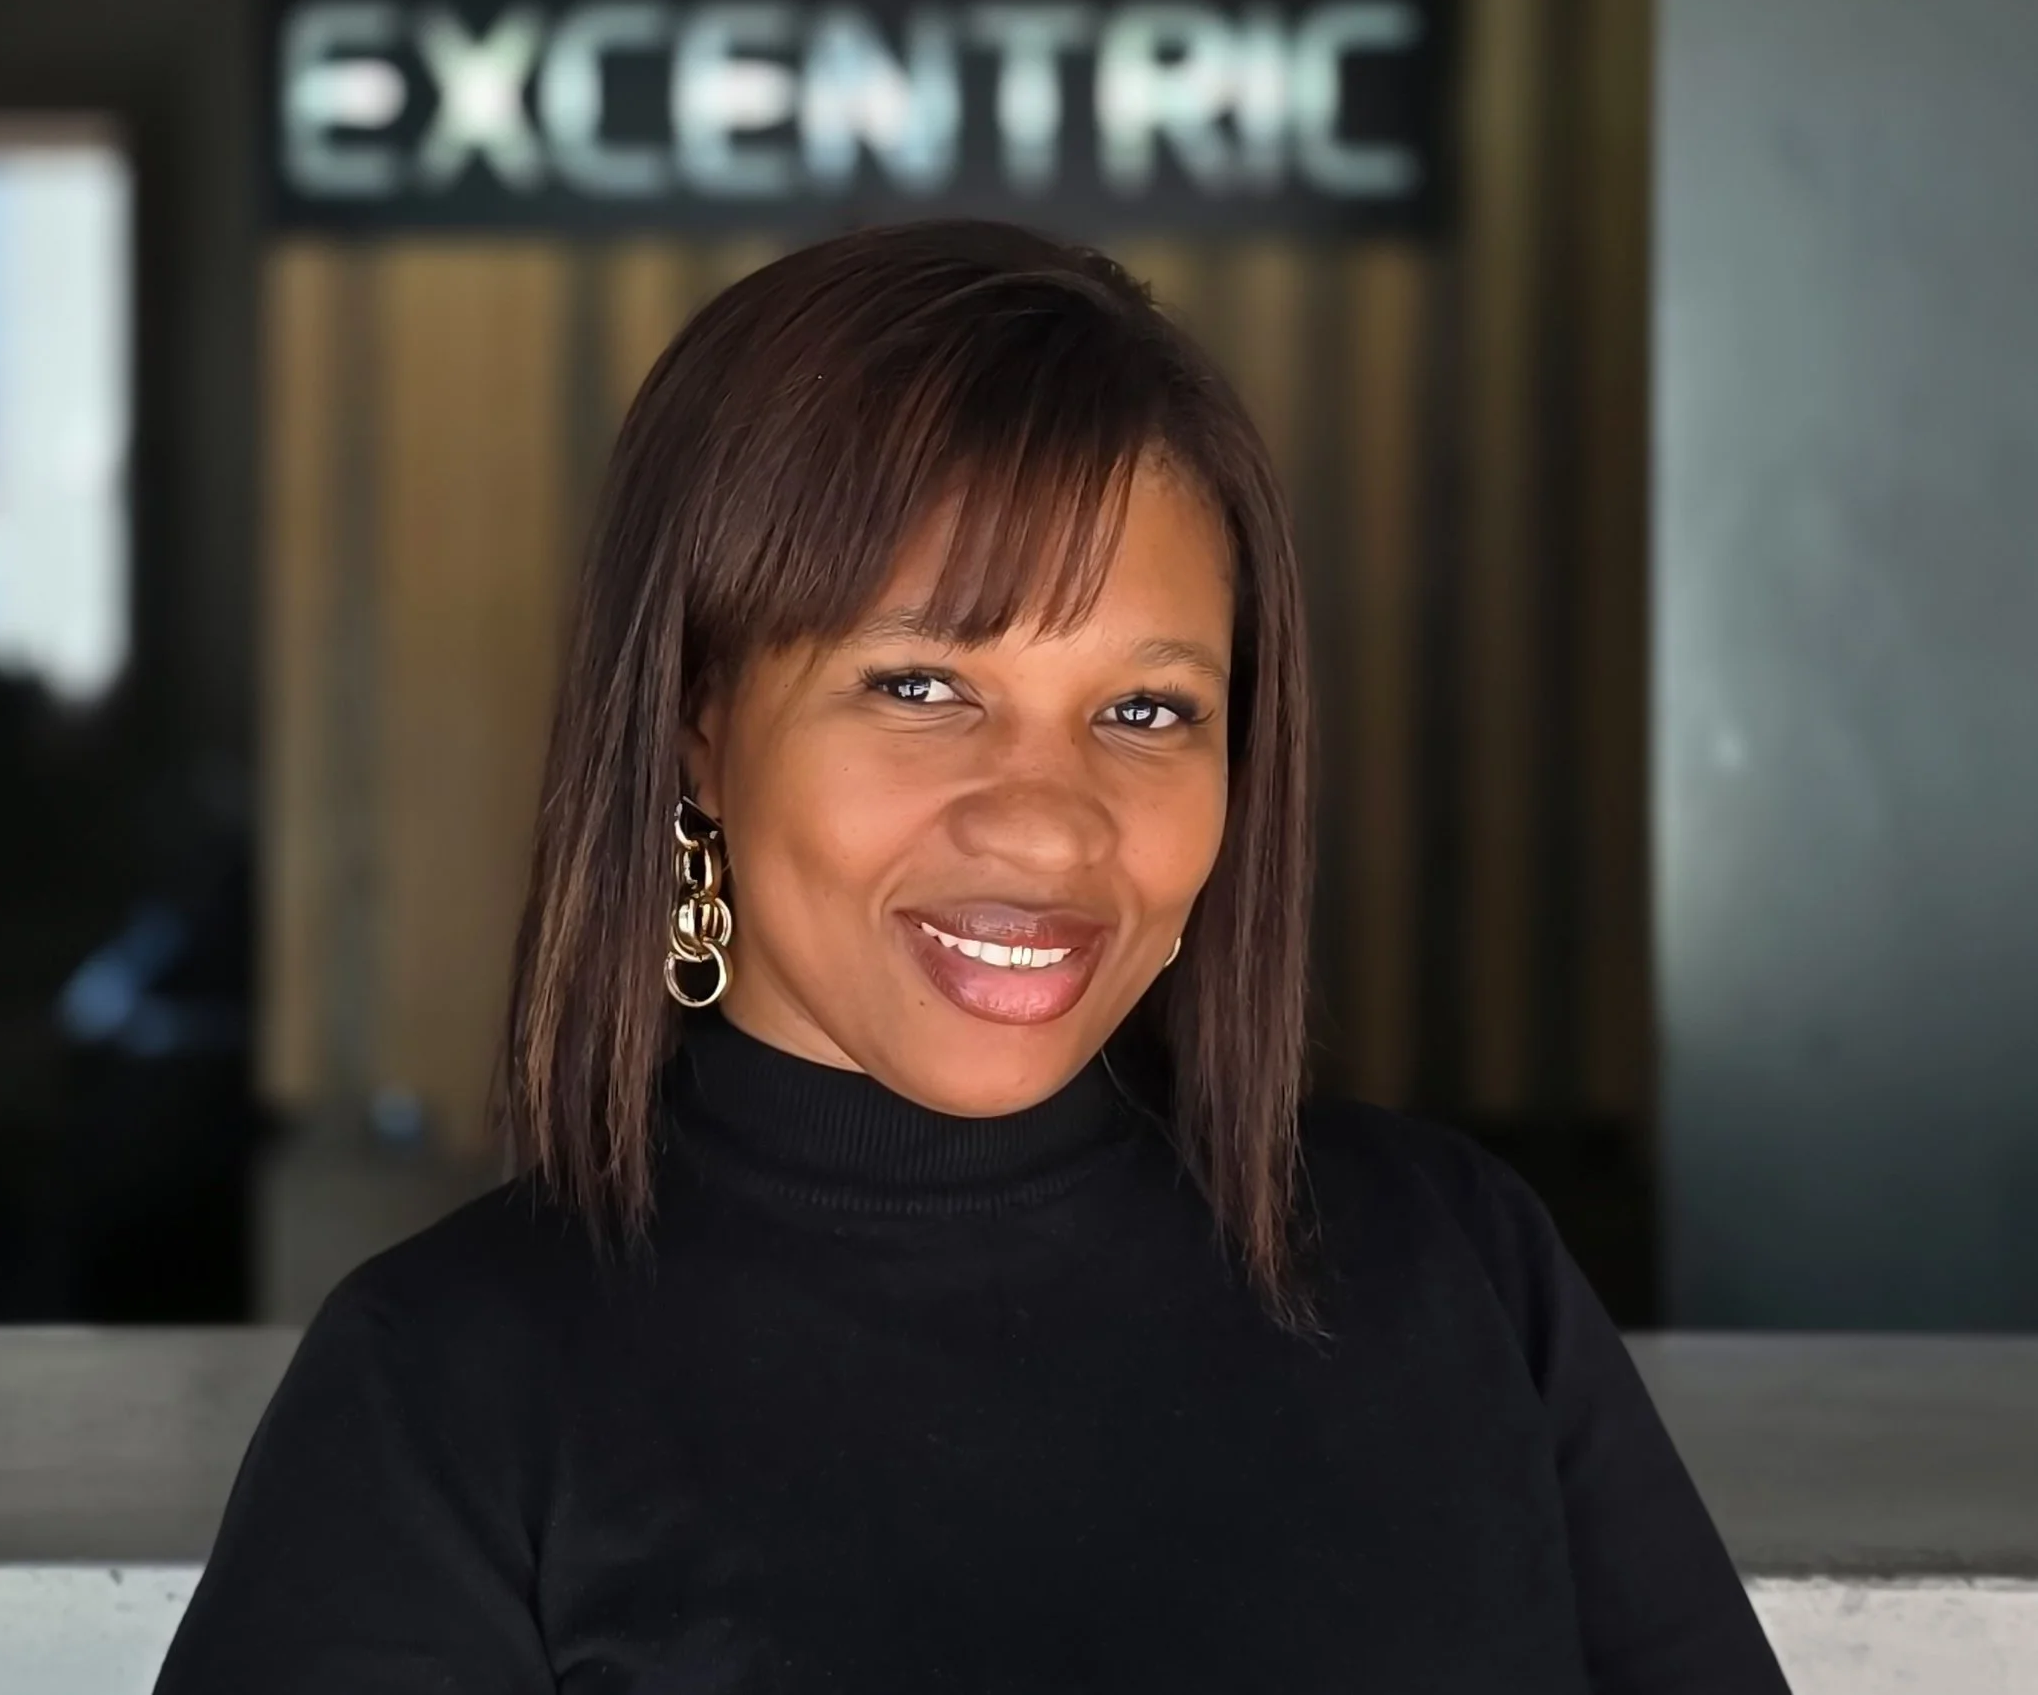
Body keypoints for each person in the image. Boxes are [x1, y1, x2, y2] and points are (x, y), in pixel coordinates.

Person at [154, 220, 1789, 1693]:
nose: (1050, 827)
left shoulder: (1454, 1267)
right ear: (699, 726)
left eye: (1147, 710)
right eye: (922, 687)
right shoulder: (447, 1389)